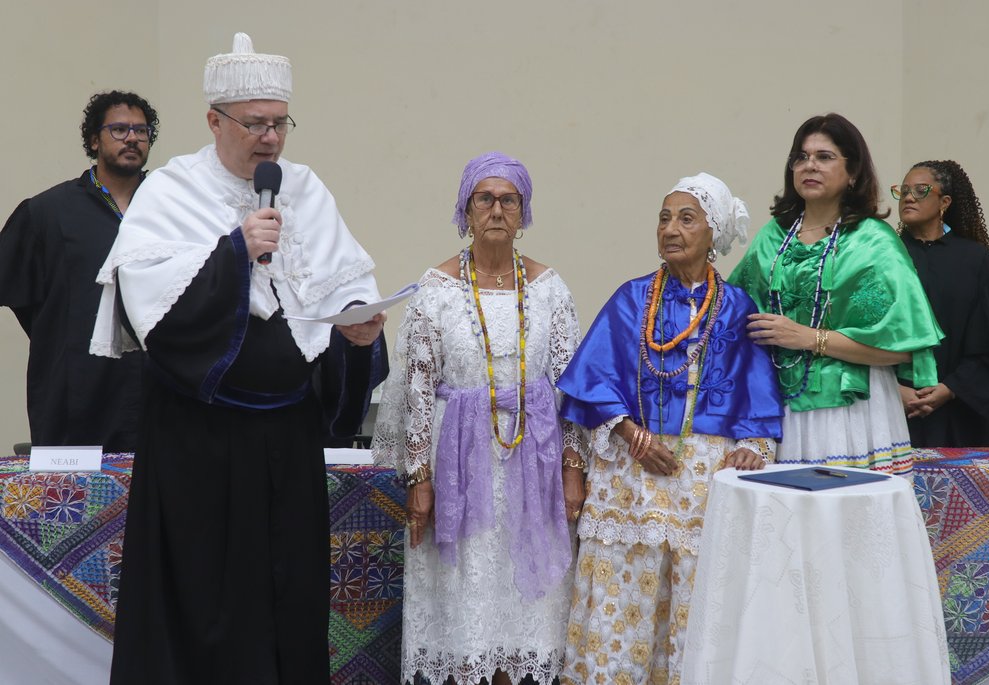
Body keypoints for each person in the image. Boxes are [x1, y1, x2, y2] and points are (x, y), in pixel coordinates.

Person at [90, 33, 387, 685]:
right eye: (255, 124)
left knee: (288, 593)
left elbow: (343, 285)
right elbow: (149, 309)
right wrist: (232, 251)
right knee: (203, 600)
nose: (271, 139)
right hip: (200, 443)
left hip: (287, 438)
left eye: (279, 123)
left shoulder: (304, 188)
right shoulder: (171, 191)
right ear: (214, 122)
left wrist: (359, 330)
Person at [557, 173, 783, 685]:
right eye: (664, 217)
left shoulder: (738, 307)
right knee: (623, 602)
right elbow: (587, 384)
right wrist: (632, 435)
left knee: (696, 601)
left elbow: (759, 396)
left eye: (686, 218)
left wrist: (753, 444)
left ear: (714, 232)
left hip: (704, 482)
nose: (671, 229)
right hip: (633, 476)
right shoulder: (631, 299)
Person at [372, 151, 584, 685]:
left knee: (525, 596)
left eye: (507, 199)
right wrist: (419, 479)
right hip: (457, 463)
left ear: (524, 211)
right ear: (465, 211)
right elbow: (418, 387)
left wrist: (573, 468)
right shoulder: (435, 291)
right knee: (464, 591)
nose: (495, 209)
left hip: (532, 465)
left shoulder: (550, 289)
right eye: (483, 199)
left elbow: (572, 388)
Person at [730, 113, 942, 476]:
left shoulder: (875, 242)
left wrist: (810, 338)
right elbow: (734, 315)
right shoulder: (772, 237)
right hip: (782, 406)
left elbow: (903, 346)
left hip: (853, 412)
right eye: (801, 156)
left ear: (853, 172)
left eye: (824, 157)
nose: (809, 165)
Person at [0, 91, 158, 451]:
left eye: (141, 130)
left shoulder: (171, 209)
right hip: (77, 393)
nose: (132, 138)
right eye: (119, 129)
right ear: (93, 139)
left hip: (159, 392)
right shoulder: (48, 212)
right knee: (74, 503)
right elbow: (20, 294)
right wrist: (62, 331)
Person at [893, 160, 989, 446]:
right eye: (903, 190)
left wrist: (951, 388)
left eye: (919, 190)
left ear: (945, 201)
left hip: (957, 414)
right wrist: (893, 390)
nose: (907, 197)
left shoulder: (980, 262)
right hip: (891, 409)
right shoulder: (883, 259)